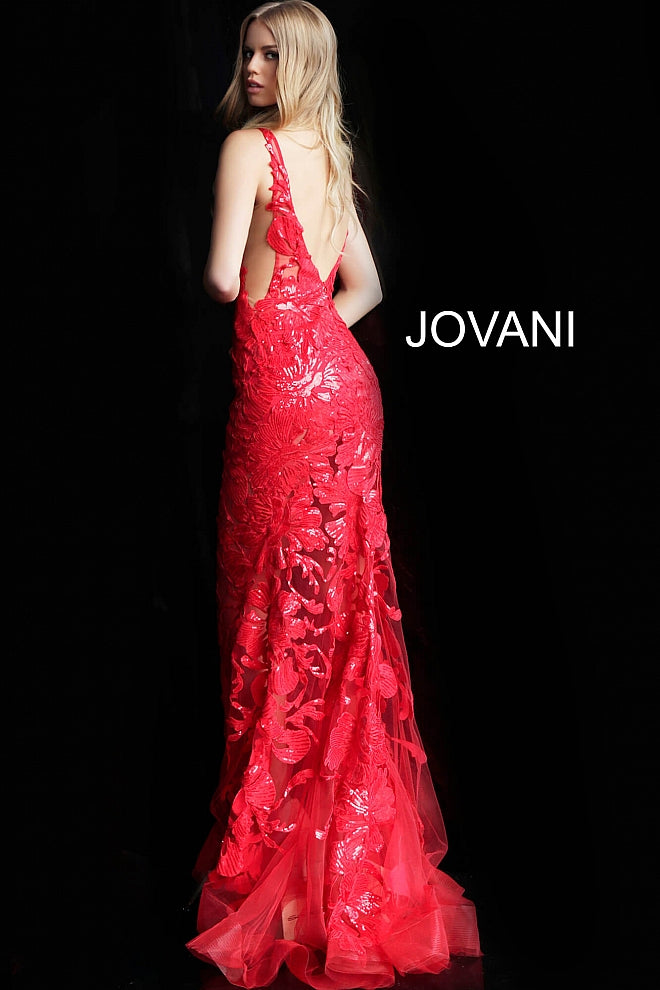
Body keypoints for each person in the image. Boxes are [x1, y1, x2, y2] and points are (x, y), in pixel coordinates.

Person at [186, 3, 482, 987]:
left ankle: (285, 872)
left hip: (282, 398)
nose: (253, 65)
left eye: (271, 53)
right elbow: (367, 288)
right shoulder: (334, 153)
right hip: (348, 392)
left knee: (274, 615)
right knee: (339, 618)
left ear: (305, 61)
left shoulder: (250, 148)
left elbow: (221, 279)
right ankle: (330, 869)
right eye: (248, 50)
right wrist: (313, 329)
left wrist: (268, 306)